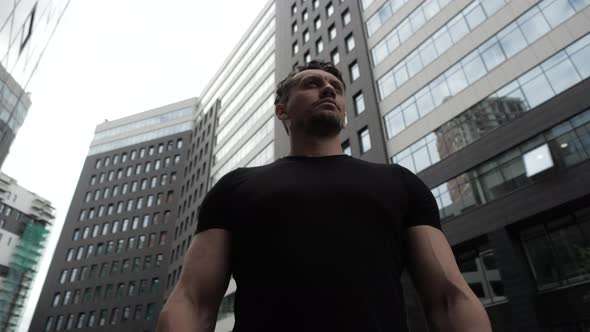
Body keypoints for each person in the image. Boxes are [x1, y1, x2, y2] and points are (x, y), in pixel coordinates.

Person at [156, 61, 492, 332]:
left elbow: (449, 297)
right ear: (281, 111)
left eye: (336, 87)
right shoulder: (235, 187)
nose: (328, 87)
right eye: (311, 83)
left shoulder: (400, 182)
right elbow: (192, 301)